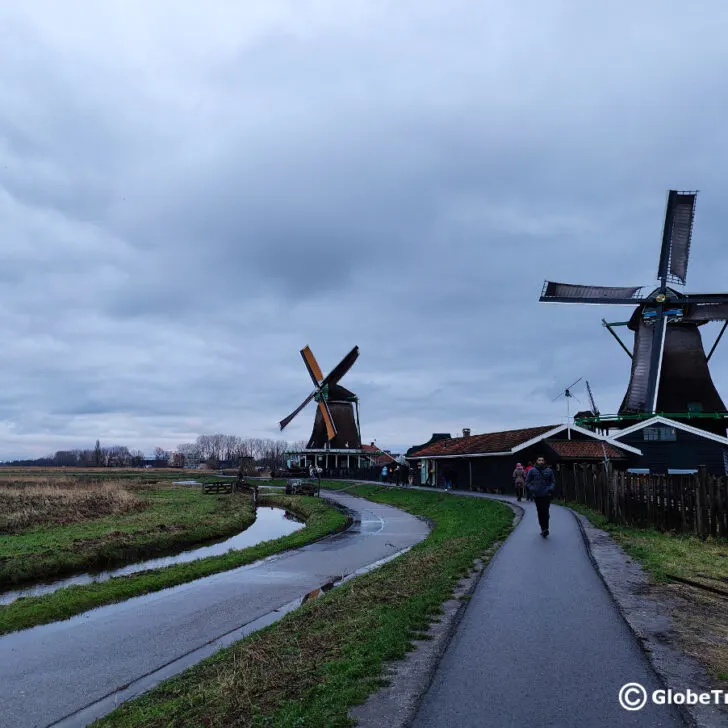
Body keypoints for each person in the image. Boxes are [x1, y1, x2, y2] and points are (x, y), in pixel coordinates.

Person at [525, 456, 555, 537]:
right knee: (540, 511)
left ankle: (546, 528)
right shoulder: (532, 471)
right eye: (539, 460)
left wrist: (550, 488)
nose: (541, 461)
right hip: (537, 494)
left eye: (542, 460)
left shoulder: (549, 471)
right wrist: (532, 488)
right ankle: (542, 528)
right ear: (536, 461)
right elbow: (527, 482)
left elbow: (553, 481)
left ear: (544, 461)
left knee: (545, 511)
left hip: (546, 494)